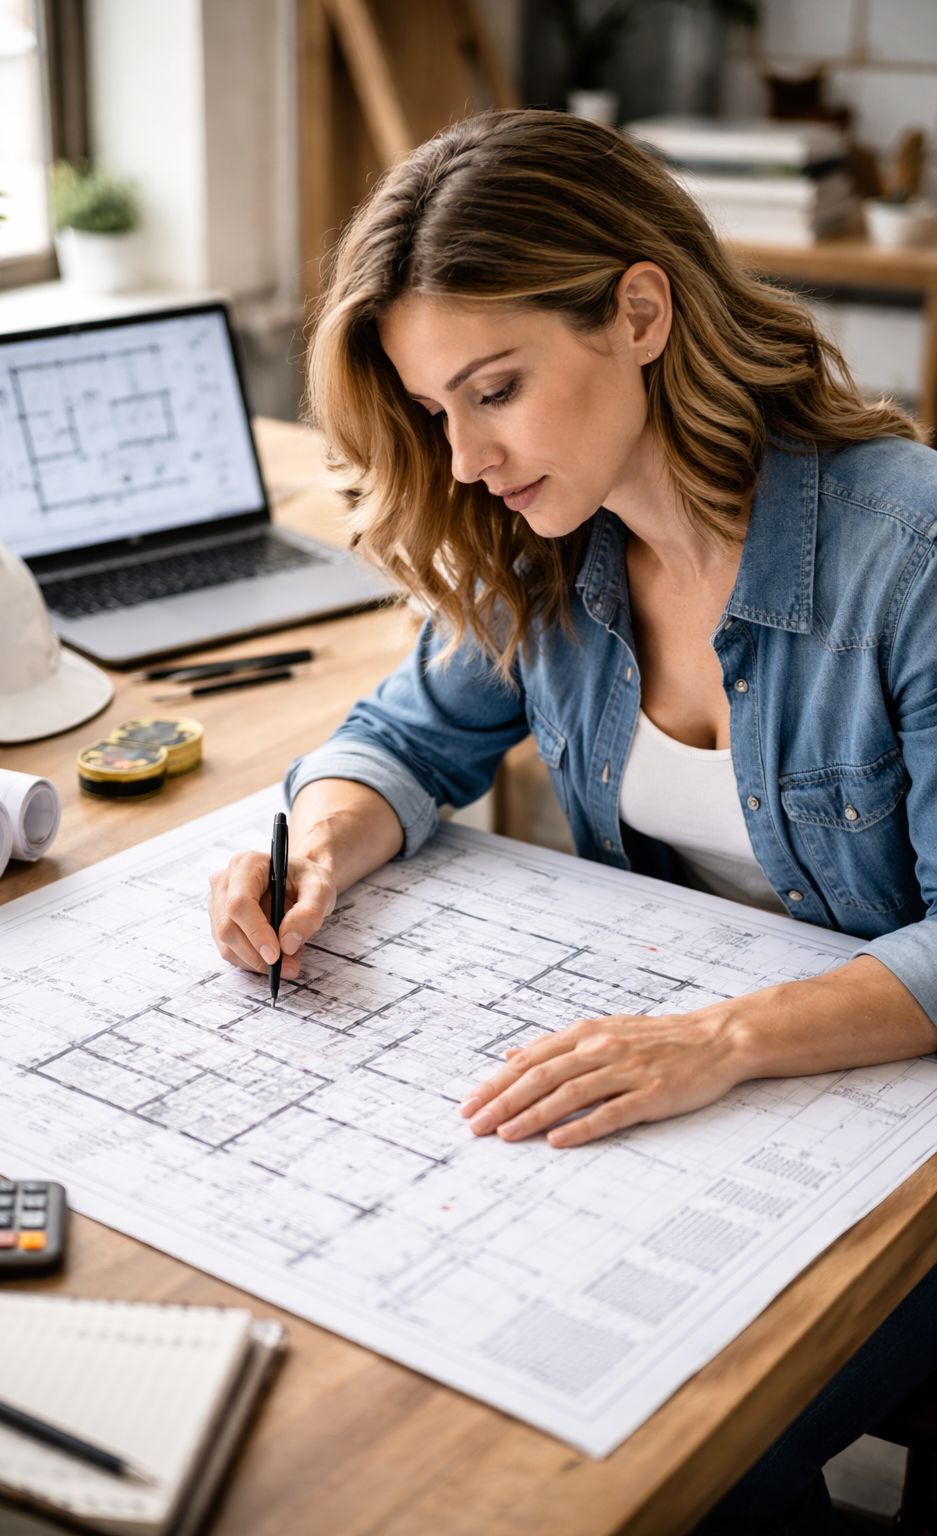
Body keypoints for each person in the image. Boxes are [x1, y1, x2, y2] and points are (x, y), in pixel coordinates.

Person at [208, 112, 937, 1531]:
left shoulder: (907, 553)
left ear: (642, 309)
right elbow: (400, 738)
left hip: (888, 1151)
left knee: (660, 1466)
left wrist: (720, 1041)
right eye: (437, 413)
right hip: (685, 1110)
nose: (468, 459)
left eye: (497, 389)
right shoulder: (543, 539)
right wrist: (320, 848)